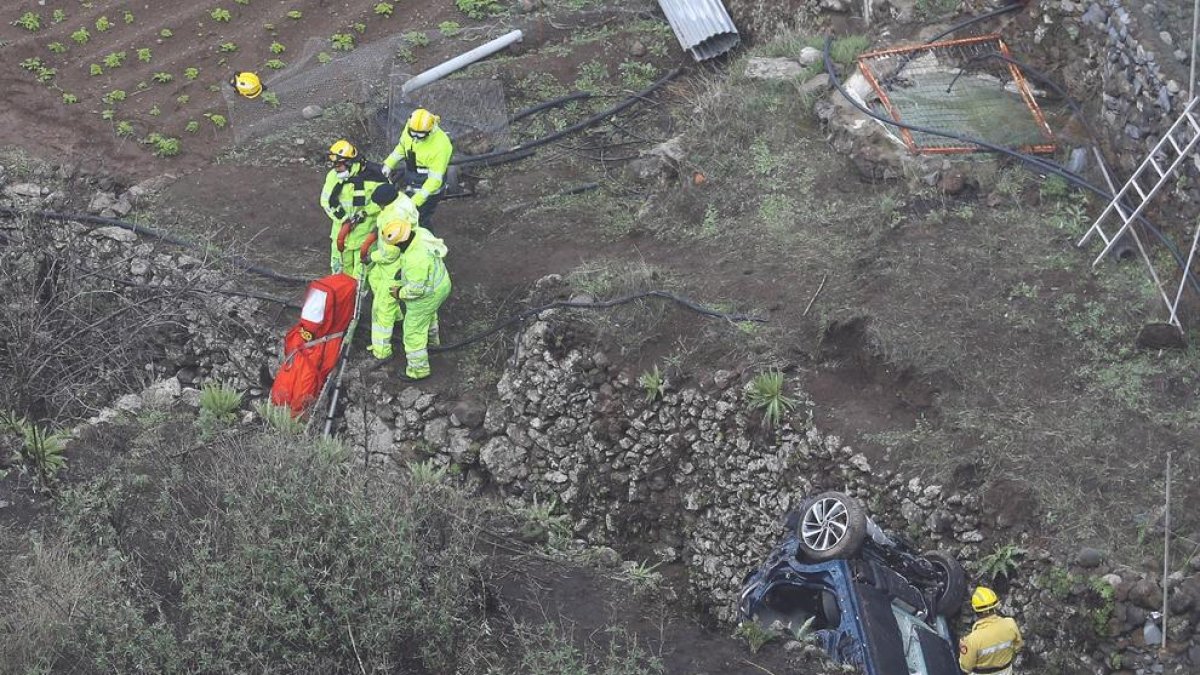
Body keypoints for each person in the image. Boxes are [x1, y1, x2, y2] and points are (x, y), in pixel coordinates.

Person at [360, 218, 450, 381]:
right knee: (428, 316)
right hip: (441, 283)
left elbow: (416, 290)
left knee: (413, 333)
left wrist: (399, 292)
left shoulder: (415, 260)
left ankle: (418, 370)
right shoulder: (421, 233)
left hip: (427, 295)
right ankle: (433, 342)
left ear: (400, 242)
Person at [321, 139, 387, 277]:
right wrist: (344, 219)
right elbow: (326, 201)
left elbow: (385, 200)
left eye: (339, 165)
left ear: (350, 163)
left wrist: (364, 213)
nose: (335, 168)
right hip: (340, 235)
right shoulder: (333, 177)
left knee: (360, 275)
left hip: (364, 234)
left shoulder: (375, 177)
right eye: (334, 165)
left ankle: (358, 292)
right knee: (339, 273)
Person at [381, 108, 453, 229]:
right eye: (412, 134)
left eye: (420, 135)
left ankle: (427, 239)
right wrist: (388, 164)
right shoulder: (412, 127)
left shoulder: (441, 146)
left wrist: (415, 201)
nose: (415, 138)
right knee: (411, 216)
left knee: (421, 219)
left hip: (428, 190)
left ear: (430, 130)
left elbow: (434, 181)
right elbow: (402, 147)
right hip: (413, 179)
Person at [959, 586, 1023, 675]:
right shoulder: (1010, 624)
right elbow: (1018, 647)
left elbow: (966, 668)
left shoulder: (971, 640)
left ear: (976, 610)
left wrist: (963, 648)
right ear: (995, 606)